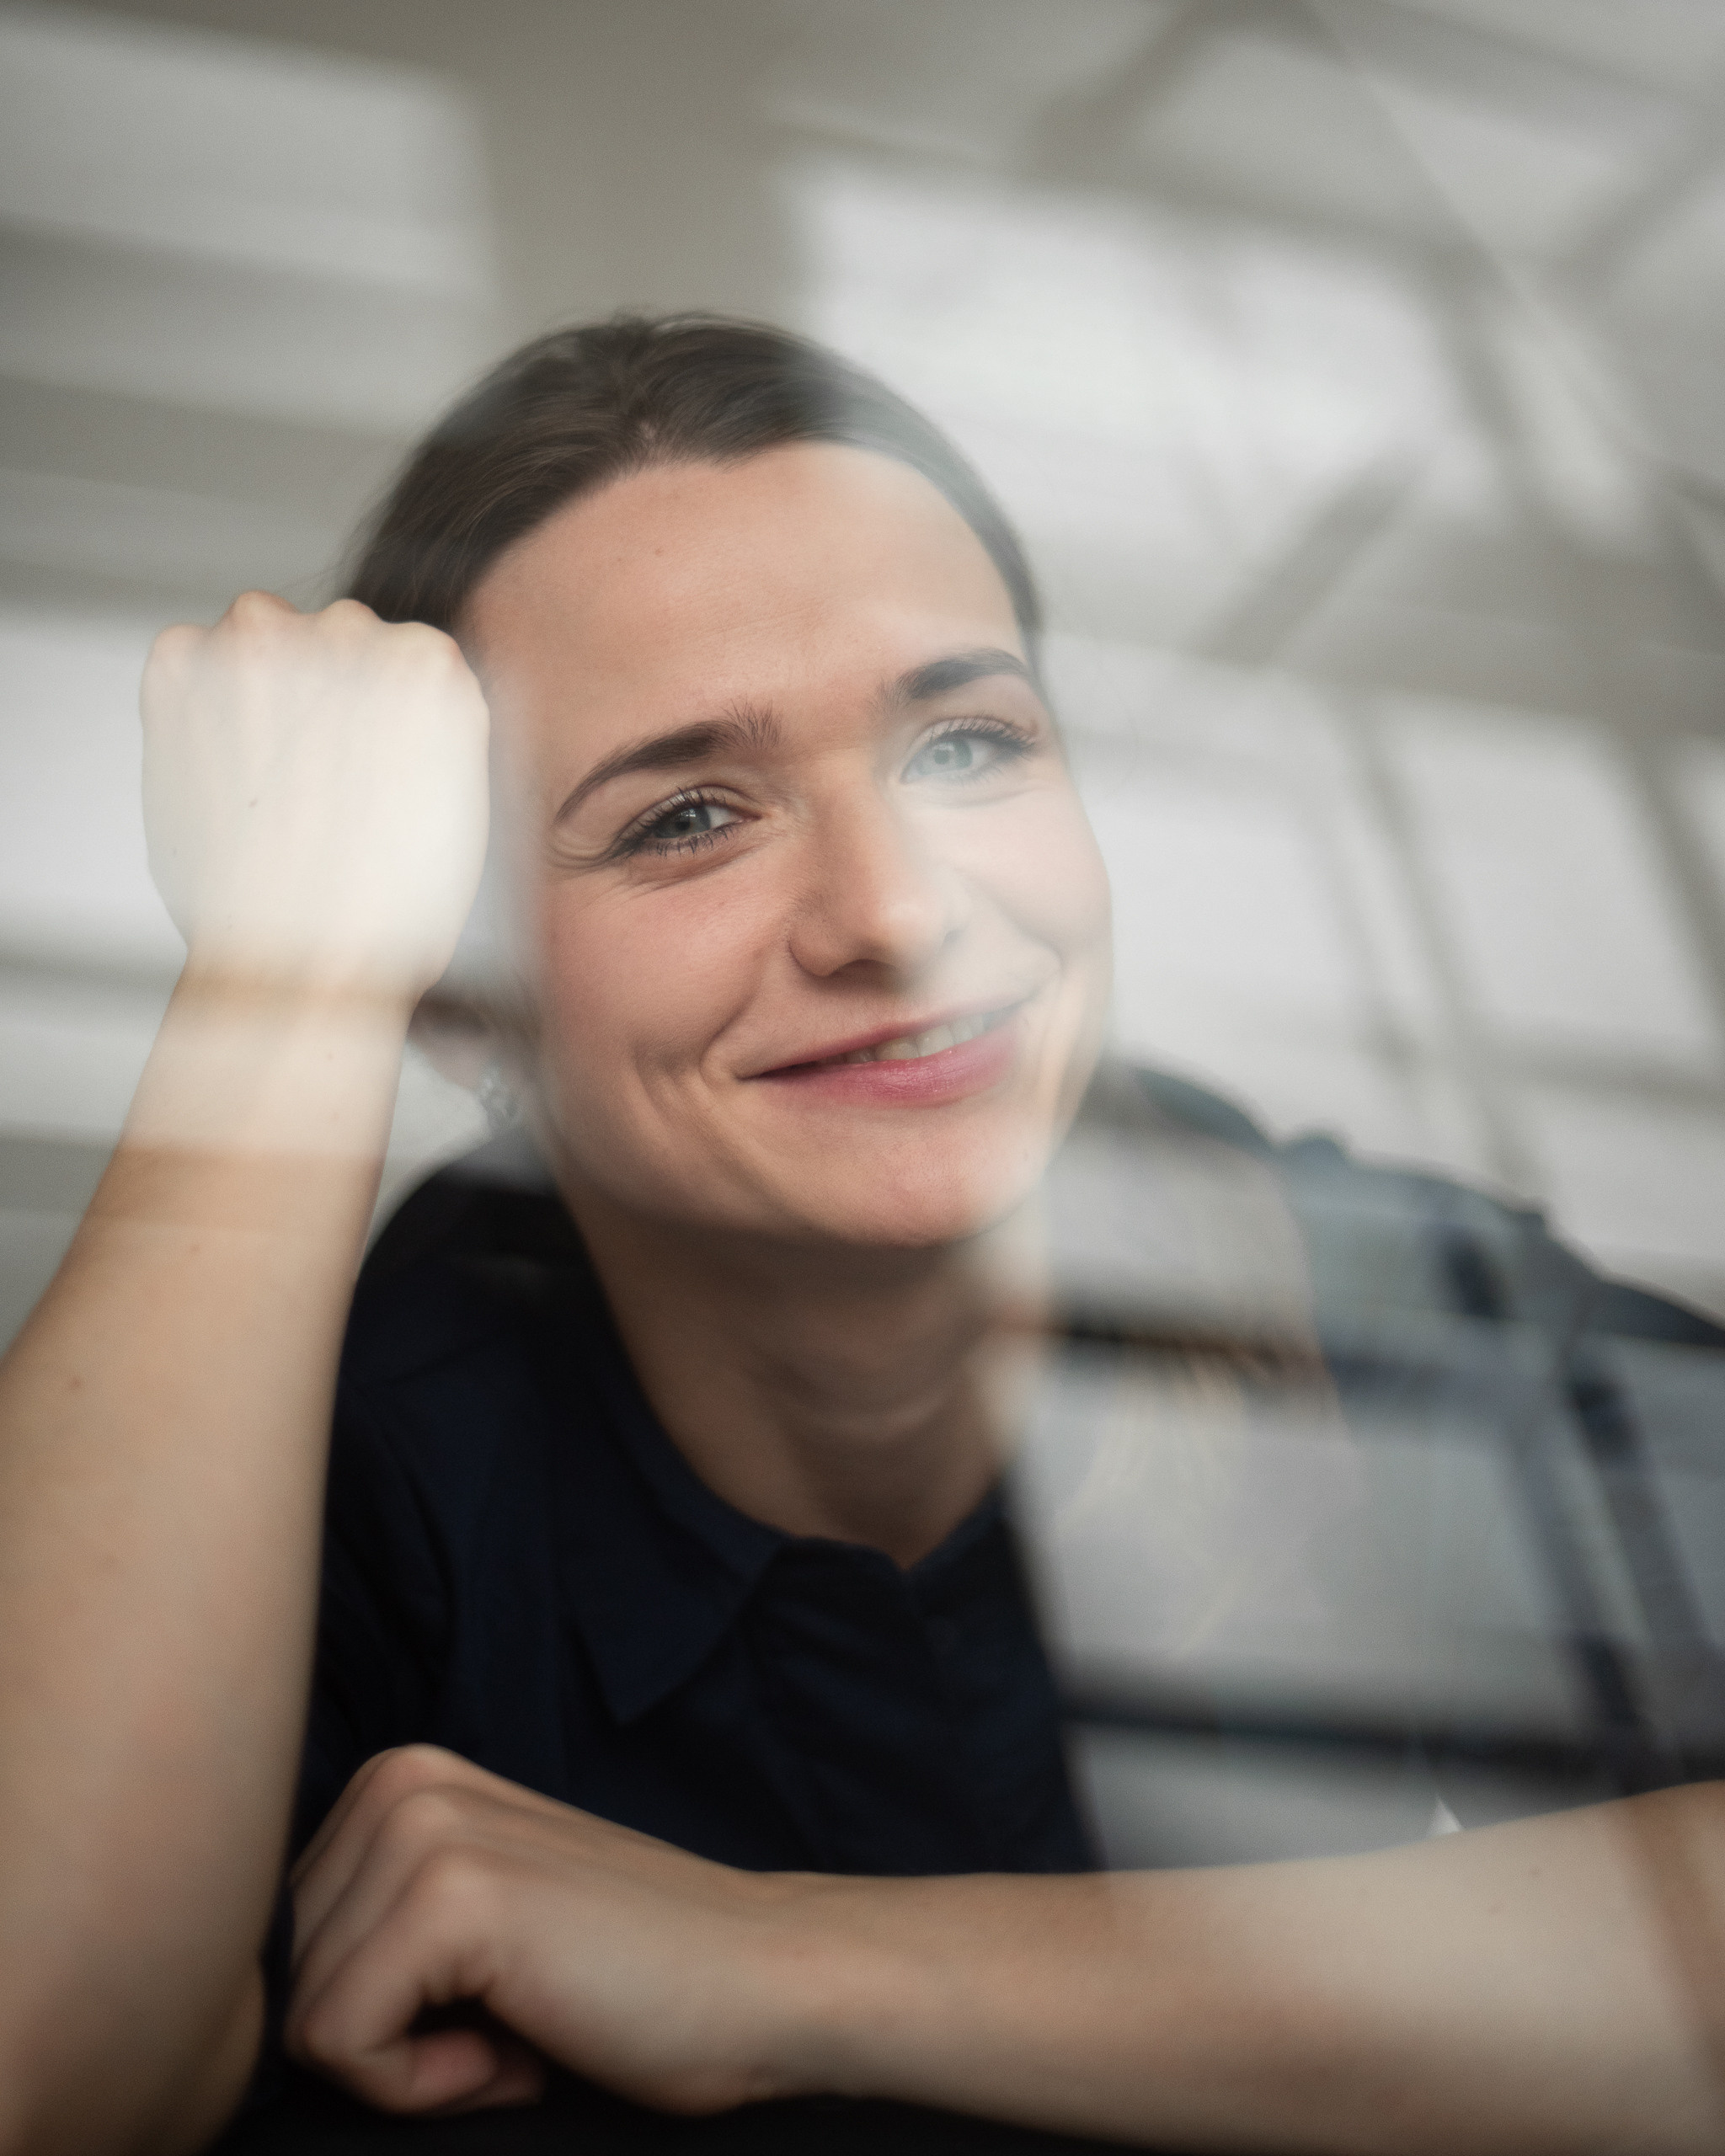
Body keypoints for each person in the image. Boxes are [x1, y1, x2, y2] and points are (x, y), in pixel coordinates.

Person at [0, 314, 1722, 2156]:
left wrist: (789, 1962)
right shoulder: (339, 1472)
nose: (894, 912)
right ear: (461, 994)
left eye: (967, 743)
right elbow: (43, 2061)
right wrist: (284, 977)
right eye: (685, 815)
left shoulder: (1365, 1292)